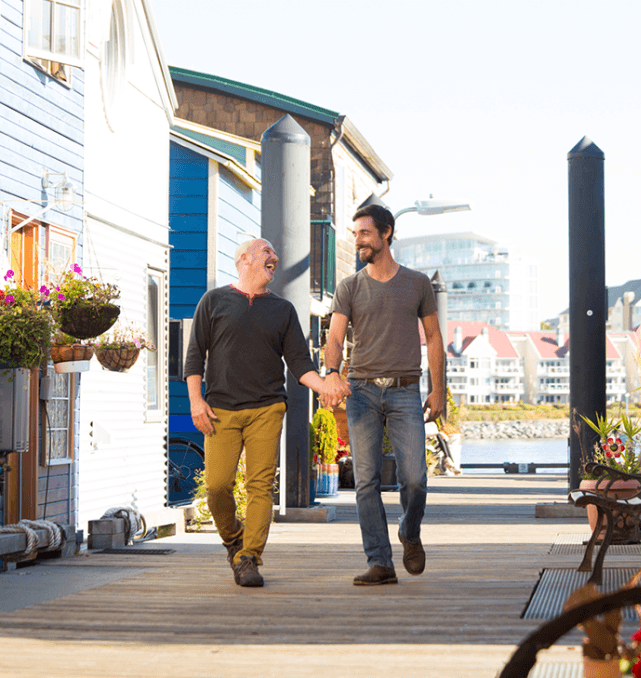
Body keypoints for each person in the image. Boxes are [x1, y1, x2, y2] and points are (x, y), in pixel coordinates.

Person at [184, 238, 347, 588]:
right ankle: (234, 541)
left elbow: (300, 364)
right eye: (266, 252)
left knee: (260, 486)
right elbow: (194, 356)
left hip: (266, 408)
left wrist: (325, 386)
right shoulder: (213, 301)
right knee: (216, 486)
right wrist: (196, 402)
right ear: (244, 259)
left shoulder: (283, 310)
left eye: (274, 253)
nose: (274, 257)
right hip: (219, 411)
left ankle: (248, 558)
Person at [324, 204, 445, 586]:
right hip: (361, 393)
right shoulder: (350, 286)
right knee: (367, 481)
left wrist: (438, 389)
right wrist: (330, 372)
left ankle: (409, 533)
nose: (357, 240)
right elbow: (334, 337)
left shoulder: (417, 283)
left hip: (406, 392)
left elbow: (435, 338)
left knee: (415, 479)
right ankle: (380, 562)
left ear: (386, 233)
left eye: (364, 233)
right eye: (355, 233)